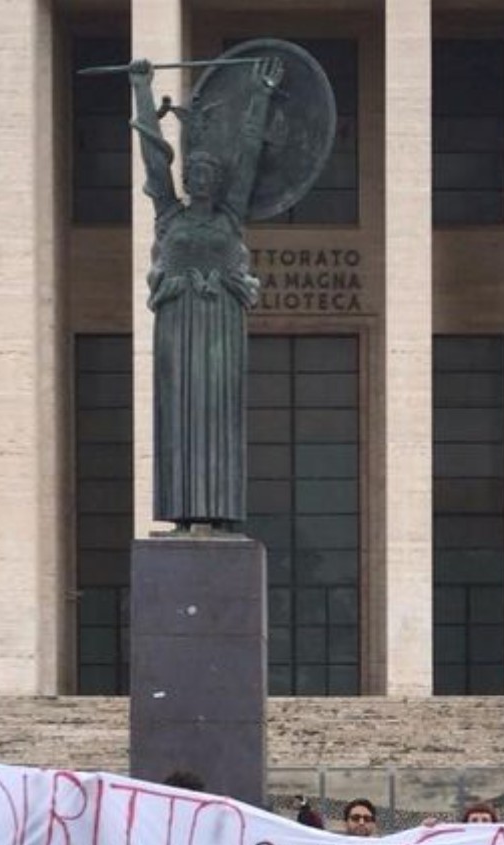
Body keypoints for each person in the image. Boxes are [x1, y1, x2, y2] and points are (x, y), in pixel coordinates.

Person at [130, 53, 286, 528]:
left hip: (219, 319)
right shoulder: (168, 215)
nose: (197, 176)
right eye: (192, 171)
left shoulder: (229, 216)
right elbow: (155, 156)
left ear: (216, 182)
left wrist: (261, 96)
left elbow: (249, 154)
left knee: (217, 419)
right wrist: (141, 88)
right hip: (178, 323)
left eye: (206, 172)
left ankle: (218, 516)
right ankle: (180, 515)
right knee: (178, 414)